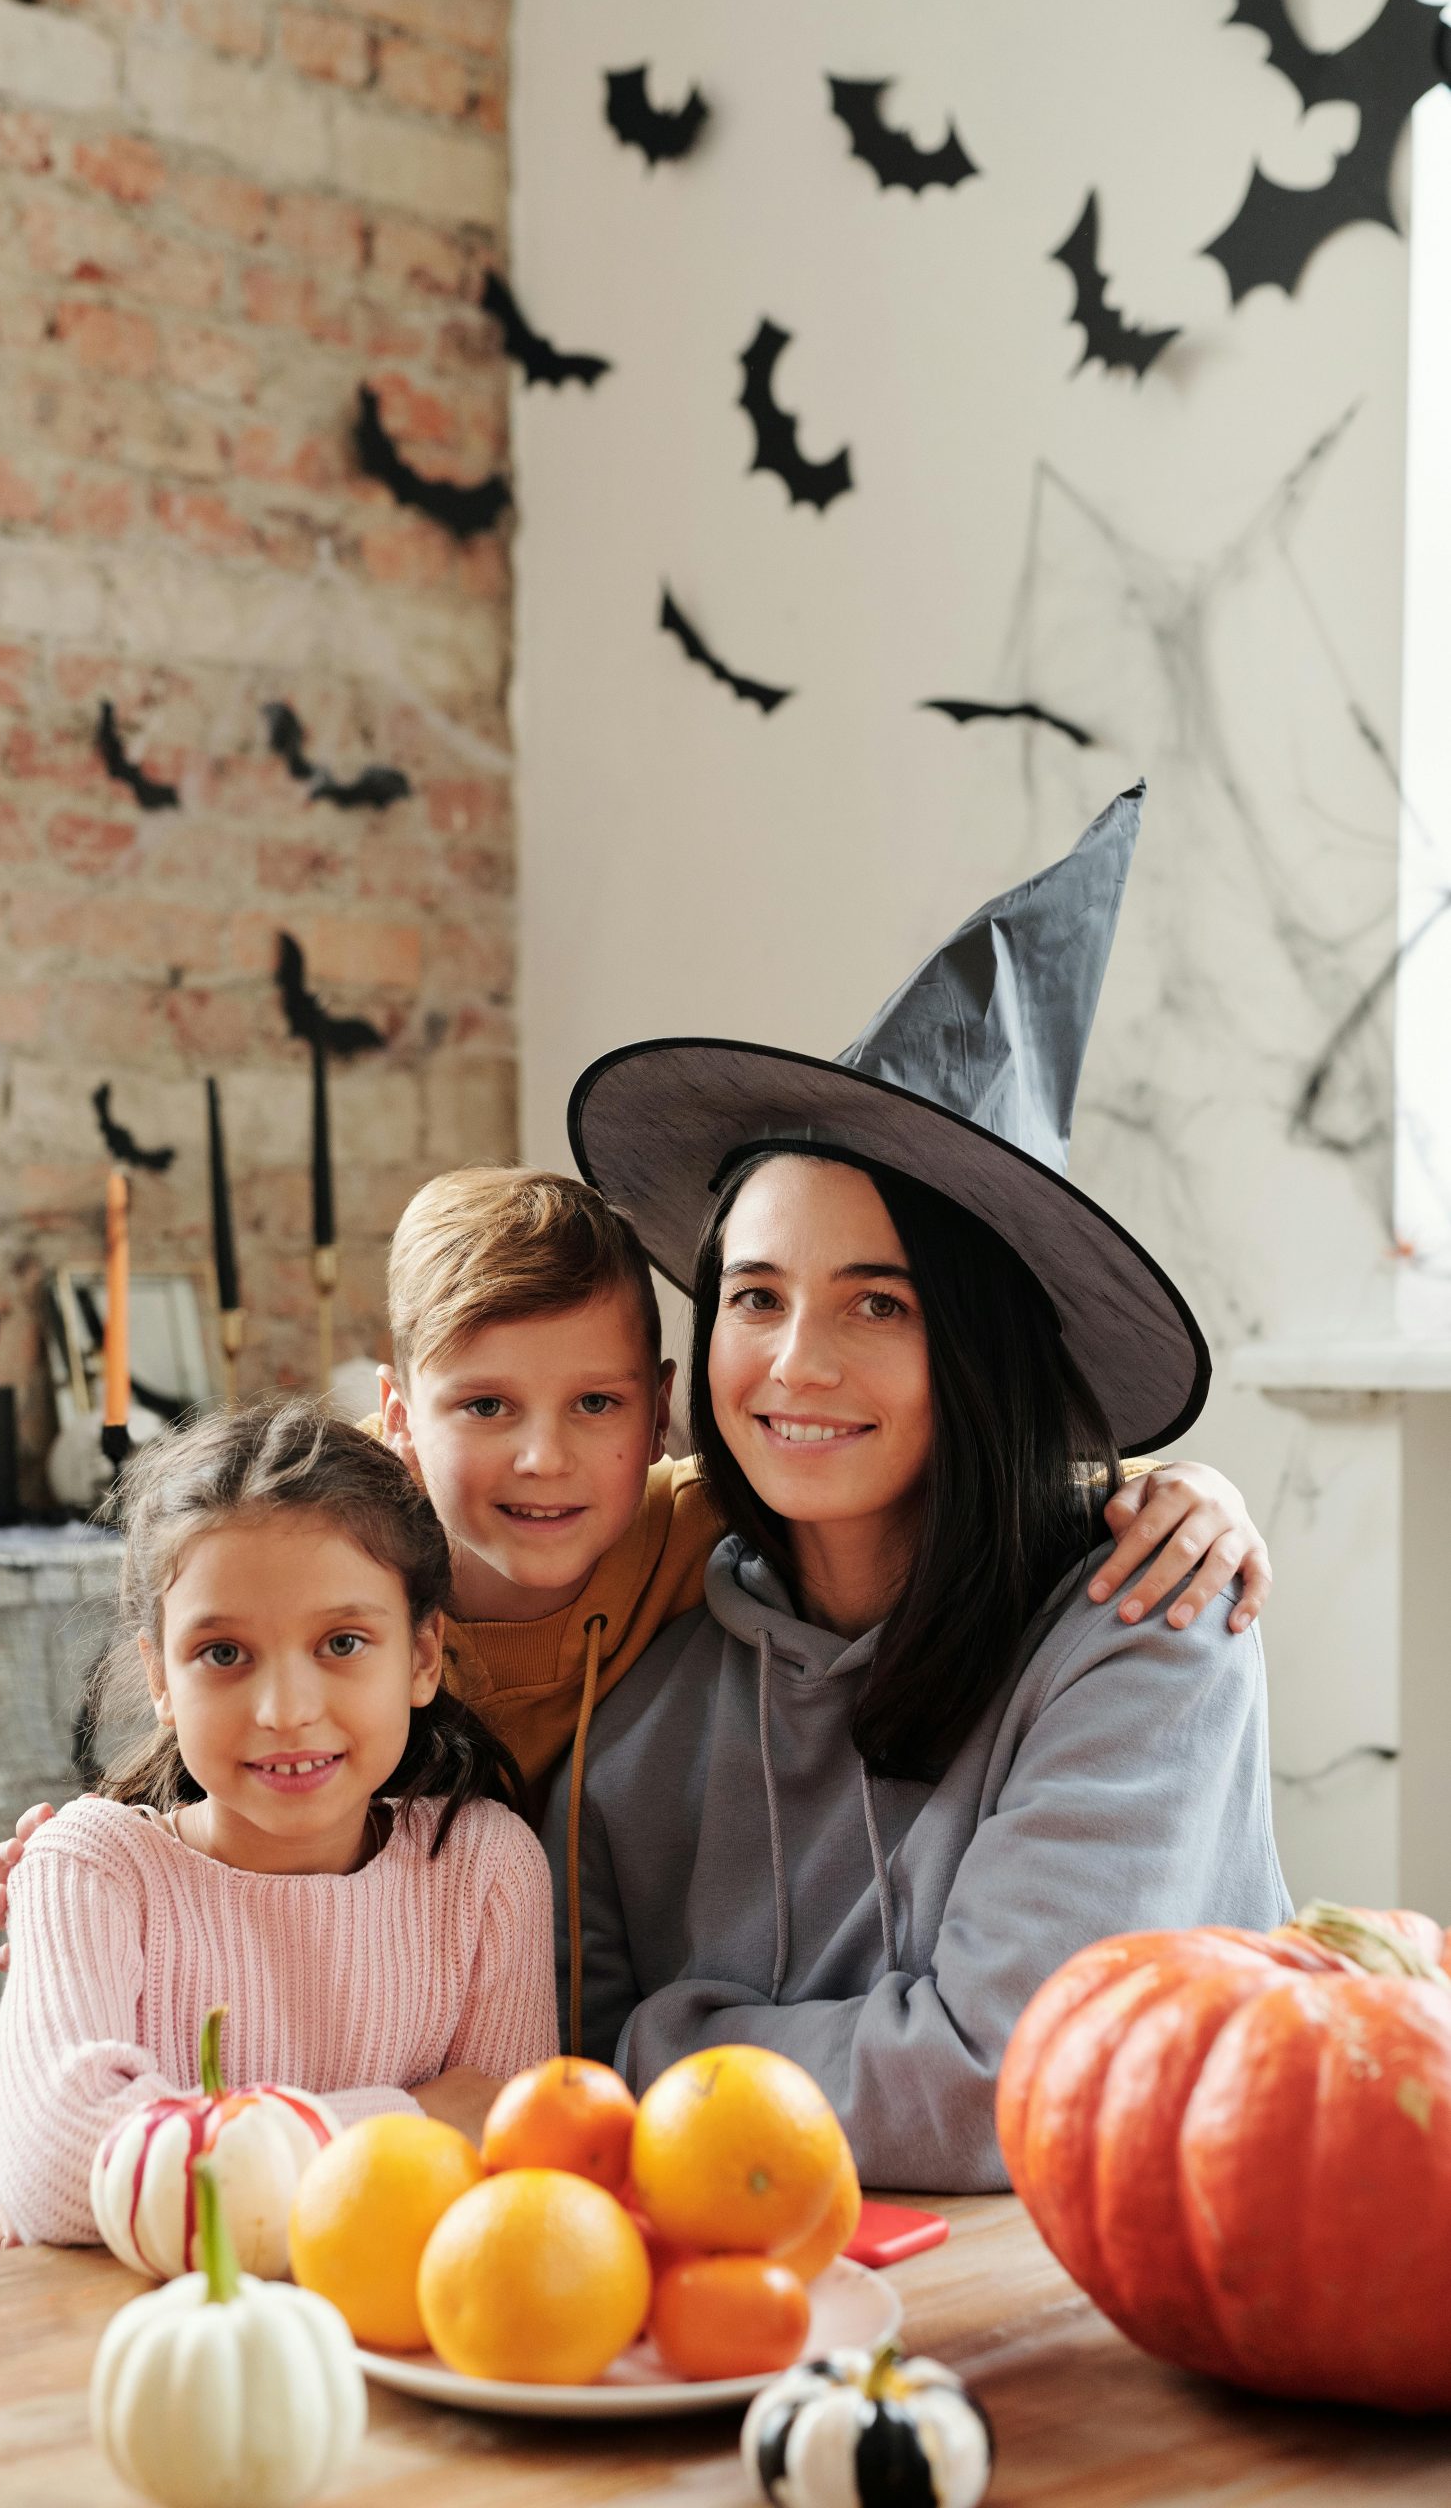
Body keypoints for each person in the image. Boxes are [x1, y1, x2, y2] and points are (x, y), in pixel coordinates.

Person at [0, 1177, 1275, 2045]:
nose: (543, 1460)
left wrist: (1171, 1491)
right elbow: (235, 1700)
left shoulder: (691, 1517)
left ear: (655, 1410)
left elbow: (954, 1474)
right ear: (394, 1419)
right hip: (358, 1998)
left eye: (592, 1407)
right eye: (483, 1407)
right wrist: (98, 1859)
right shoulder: (347, 1598)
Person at [545, 786, 1290, 2189]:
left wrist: (668, 2048)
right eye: (752, 1297)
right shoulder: (632, 1708)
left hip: (1107, 2340)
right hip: (746, 2335)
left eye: (876, 1305)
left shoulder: (1150, 1632)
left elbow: (995, 2081)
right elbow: (555, 2085)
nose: (792, 1364)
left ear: (978, 1348)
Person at [0, 1400, 555, 2250]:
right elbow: (62, 2178)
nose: (284, 1711)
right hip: (107, 2358)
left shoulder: (480, 1868)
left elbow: (508, 2188)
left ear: (423, 1656)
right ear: (160, 1677)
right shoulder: (90, 1865)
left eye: (342, 1643)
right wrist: (415, 2120)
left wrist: (169, 2169)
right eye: (224, 1654)